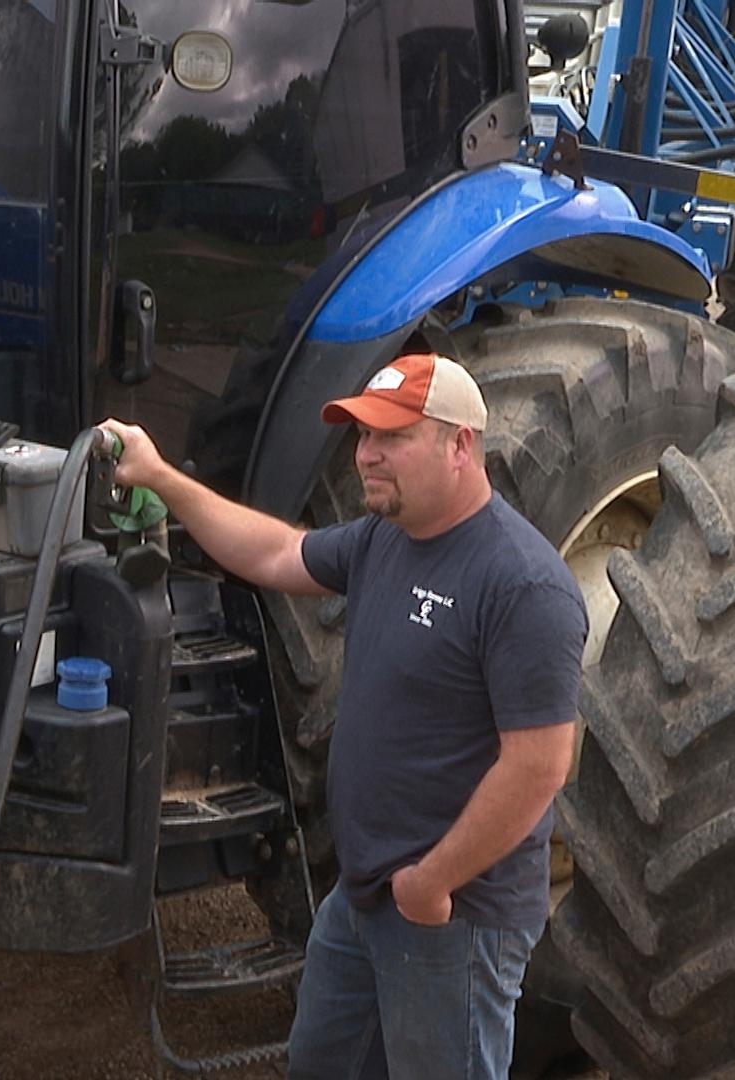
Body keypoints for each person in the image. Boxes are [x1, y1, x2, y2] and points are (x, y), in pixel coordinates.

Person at [99, 352, 585, 1079]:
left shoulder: (520, 584)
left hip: (454, 916)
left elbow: (541, 765)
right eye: (362, 437)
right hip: (362, 896)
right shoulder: (385, 538)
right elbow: (274, 552)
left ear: (461, 445)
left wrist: (433, 882)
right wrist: (163, 478)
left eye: (391, 438)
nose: (366, 456)